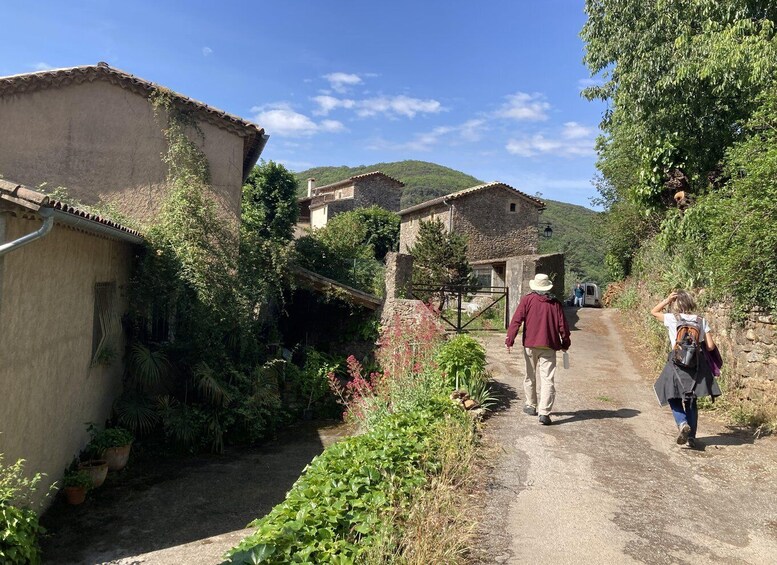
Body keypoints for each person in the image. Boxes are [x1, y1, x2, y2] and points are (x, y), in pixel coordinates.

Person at [651, 290, 721, 449]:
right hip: (695, 366)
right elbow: (710, 346)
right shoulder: (701, 320)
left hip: (676, 364)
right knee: (691, 400)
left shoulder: (672, 318)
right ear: (691, 303)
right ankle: (692, 438)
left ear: (677, 304)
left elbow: (653, 312)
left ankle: (682, 423)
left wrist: (667, 299)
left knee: (672, 396)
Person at [505, 273, 571, 425]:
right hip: (549, 345)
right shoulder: (555, 304)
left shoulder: (527, 300)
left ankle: (530, 405)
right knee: (547, 379)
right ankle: (544, 413)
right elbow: (563, 327)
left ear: (535, 286)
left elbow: (516, 320)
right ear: (548, 287)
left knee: (530, 375)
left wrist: (510, 339)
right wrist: (565, 343)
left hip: (530, 344)